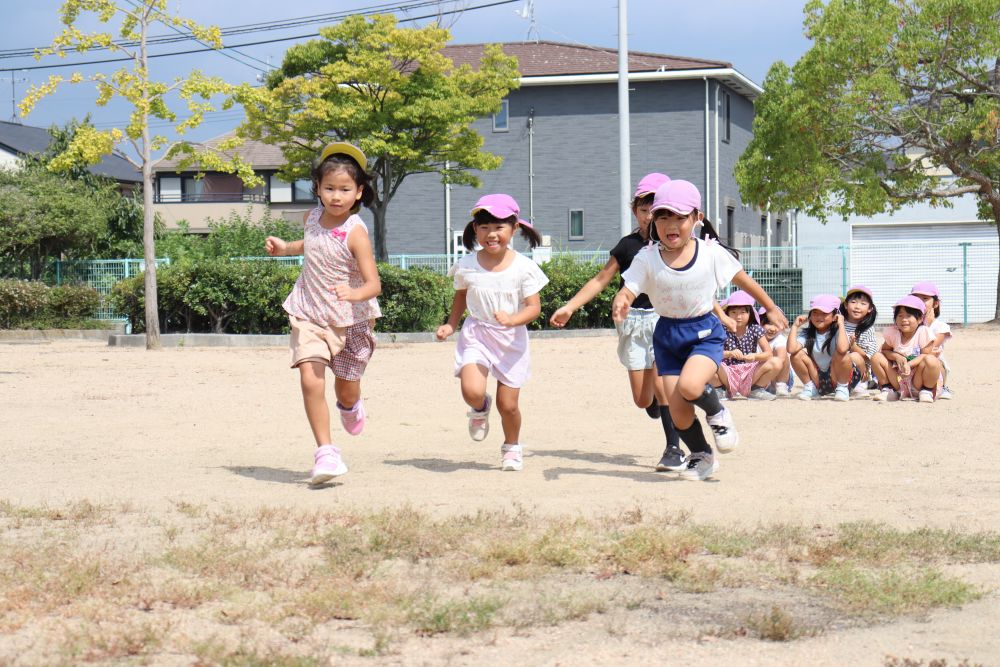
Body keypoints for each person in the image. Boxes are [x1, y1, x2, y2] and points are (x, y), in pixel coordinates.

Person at [612, 179, 788, 481]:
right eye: (663, 216)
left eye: (680, 217)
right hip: (667, 336)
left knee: (691, 387)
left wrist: (770, 307)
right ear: (653, 220)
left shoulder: (710, 253)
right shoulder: (647, 257)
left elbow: (744, 281)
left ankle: (718, 413)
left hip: (703, 332)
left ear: (697, 218)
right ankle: (702, 455)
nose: (671, 224)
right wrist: (621, 300)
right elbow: (629, 288)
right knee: (679, 411)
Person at [549, 172, 686, 472]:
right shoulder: (627, 246)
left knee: (664, 385)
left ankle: (673, 449)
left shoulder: (678, 245)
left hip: (665, 321)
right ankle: (655, 405)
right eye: (644, 209)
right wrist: (570, 306)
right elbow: (601, 279)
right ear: (634, 210)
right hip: (633, 324)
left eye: (658, 209)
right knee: (642, 399)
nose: (651, 216)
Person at [265, 142, 382, 486]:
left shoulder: (356, 233)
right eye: (329, 188)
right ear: (317, 188)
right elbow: (312, 242)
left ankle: (350, 406)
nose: (336, 196)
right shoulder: (311, 217)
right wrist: (286, 248)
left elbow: (374, 283)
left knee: (345, 391)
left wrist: (355, 292)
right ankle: (326, 452)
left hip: (350, 320)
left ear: (359, 191)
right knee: (309, 376)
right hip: (309, 312)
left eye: (345, 189)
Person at [436, 194, 548, 472]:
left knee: (507, 405)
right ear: (475, 229)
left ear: (514, 228)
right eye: (484, 227)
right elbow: (461, 298)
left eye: (499, 226)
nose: (491, 234)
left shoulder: (525, 267)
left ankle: (511, 447)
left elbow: (534, 308)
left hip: (511, 340)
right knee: (471, 390)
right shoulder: (467, 265)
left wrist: (512, 319)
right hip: (478, 333)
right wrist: (451, 324)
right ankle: (478, 408)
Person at [786, 294, 861, 402]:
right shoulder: (808, 333)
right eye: (815, 313)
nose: (819, 317)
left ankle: (842, 389)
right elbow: (791, 349)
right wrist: (794, 326)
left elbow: (843, 349)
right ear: (810, 316)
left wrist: (841, 324)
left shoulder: (839, 331)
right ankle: (810, 388)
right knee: (796, 355)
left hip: (841, 377)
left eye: (824, 313)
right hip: (819, 378)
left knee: (841, 354)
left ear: (835, 315)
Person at [872, 295, 943, 403]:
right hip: (898, 379)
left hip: (918, 380)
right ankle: (890, 390)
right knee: (876, 357)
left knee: (932, 360)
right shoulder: (894, 333)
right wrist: (897, 356)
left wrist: (909, 365)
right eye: (900, 316)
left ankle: (926, 391)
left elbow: (926, 355)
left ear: (919, 319)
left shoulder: (923, 332)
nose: (904, 320)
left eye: (909, 316)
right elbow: (885, 351)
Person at [713, 291, 780, 400]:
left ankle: (756, 389)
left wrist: (754, 356)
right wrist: (729, 353)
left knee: (776, 362)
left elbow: (768, 354)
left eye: (743, 312)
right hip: (726, 372)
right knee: (709, 361)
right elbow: (713, 353)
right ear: (727, 314)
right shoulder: (721, 329)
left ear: (750, 314)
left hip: (750, 372)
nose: (738, 317)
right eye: (733, 312)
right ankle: (720, 389)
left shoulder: (755, 329)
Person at [911, 281, 953, 399]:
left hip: (934, 369)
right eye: (916, 298)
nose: (920, 302)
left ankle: (938, 388)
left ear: (935, 304)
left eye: (925, 298)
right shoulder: (907, 324)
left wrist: (926, 325)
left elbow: (928, 348)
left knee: (930, 359)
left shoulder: (941, 327)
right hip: (911, 368)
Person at [840, 285, 879, 397]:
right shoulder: (839, 324)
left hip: (860, 367)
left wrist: (853, 346)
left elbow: (869, 356)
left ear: (870, 309)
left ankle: (862, 383)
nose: (857, 307)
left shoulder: (868, 328)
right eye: (853, 302)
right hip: (840, 366)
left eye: (863, 303)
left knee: (854, 356)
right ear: (846, 305)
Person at [758, 307, 793, 396]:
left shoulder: (779, 339)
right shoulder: (753, 337)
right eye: (769, 323)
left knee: (782, 355)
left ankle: (781, 385)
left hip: (780, 376)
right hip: (761, 375)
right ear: (759, 323)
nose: (773, 329)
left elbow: (781, 359)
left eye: (777, 325)